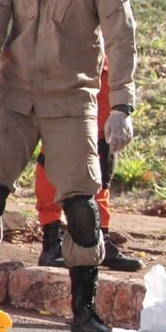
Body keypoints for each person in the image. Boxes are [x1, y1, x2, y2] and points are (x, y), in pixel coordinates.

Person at [0, 0, 137, 332]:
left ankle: (84, 312)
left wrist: (121, 105)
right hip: (13, 94)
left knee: (82, 209)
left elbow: (121, 33)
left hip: (72, 97)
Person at [35, 58, 144, 273]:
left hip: (105, 65)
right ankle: (51, 241)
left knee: (103, 150)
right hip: (66, 64)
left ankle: (99, 240)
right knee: (56, 149)